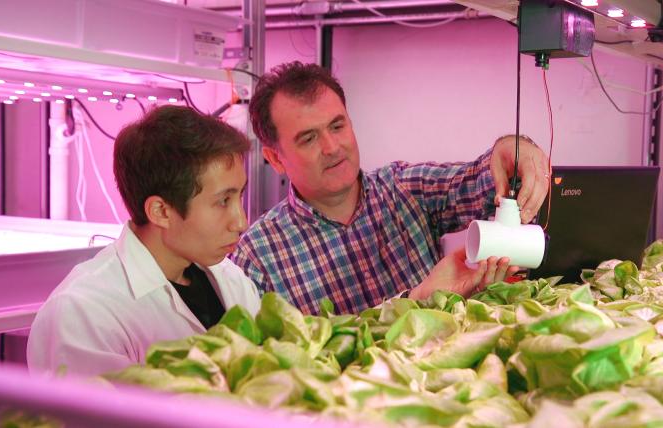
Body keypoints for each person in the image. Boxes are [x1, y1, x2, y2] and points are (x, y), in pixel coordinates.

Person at [231, 61, 550, 315]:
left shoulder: (402, 189)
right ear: (275, 158)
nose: (332, 147)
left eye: (337, 126)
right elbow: (272, 362)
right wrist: (412, 301)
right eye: (309, 138)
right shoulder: (257, 258)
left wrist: (512, 149)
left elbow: (479, 181)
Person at [28, 106, 260, 377]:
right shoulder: (82, 312)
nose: (241, 222)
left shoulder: (230, 278)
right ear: (161, 211)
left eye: (239, 196)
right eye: (223, 201)